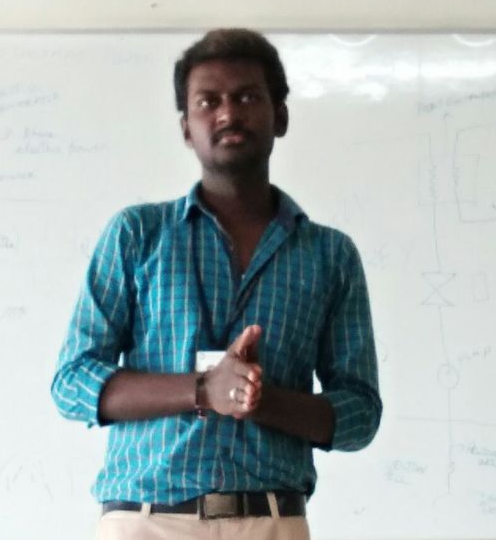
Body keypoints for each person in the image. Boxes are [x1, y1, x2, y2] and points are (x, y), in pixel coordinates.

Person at [51, 28, 382, 540]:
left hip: (270, 521)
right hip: (147, 520)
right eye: (209, 101)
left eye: (247, 97)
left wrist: (257, 399)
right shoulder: (137, 234)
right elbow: (73, 383)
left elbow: (360, 415)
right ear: (187, 128)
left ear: (281, 116)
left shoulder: (330, 255)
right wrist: (206, 389)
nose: (228, 114)